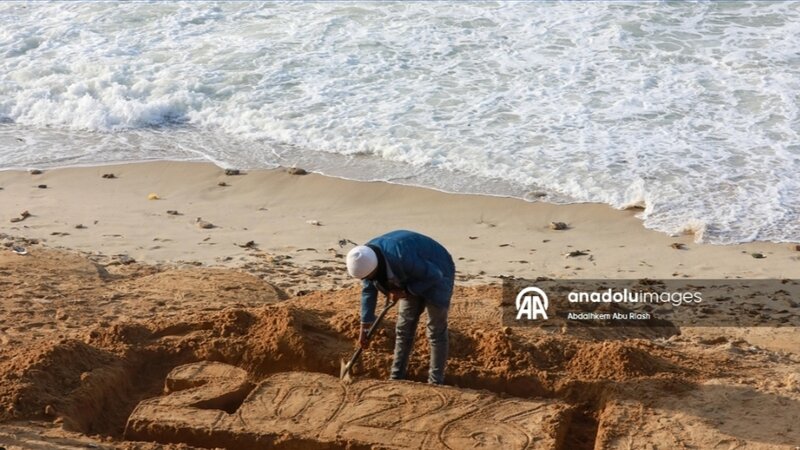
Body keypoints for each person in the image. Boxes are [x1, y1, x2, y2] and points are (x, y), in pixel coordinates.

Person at [346, 230, 455, 385]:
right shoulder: (366, 258)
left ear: (375, 268)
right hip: (407, 274)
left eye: (369, 277)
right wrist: (365, 326)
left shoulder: (399, 256)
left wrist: (406, 291)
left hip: (438, 269)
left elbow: (434, 274)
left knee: (435, 330)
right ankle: (396, 378)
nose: (368, 280)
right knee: (404, 329)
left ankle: (435, 381)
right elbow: (368, 290)